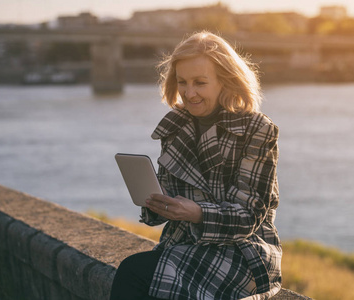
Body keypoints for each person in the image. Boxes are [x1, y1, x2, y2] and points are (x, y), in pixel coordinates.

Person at [110, 31, 282, 300]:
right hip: (183, 244)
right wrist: (155, 203)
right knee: (140, 276)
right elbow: (167, 203)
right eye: (182, 82)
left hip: (242, 251)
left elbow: (249, 215)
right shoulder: (175, 126)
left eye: (200, 83)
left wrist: (198, 213)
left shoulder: (258, 130)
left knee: (134, 272)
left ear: (225, 81)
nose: (189, 93)